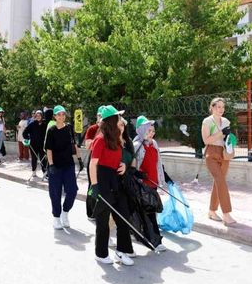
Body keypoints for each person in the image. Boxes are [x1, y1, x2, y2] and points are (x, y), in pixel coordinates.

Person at [88, 105, 135, 265]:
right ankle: (101, 254)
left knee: (123, 216)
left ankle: (122, 252)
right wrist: (95, 186)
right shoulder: (100, 139)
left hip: (116, 180)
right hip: (102, 179)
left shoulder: (117, 139)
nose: (120, 120)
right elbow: (93, 164)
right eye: (117, 118)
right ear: (111, 121)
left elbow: (123, 158)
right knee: (102, 220)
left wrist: (125, 166)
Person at [133, 115, 170, 252]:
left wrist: (162, 178)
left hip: (153, 184)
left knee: (150, 212)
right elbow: (133, 167)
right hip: (142, 186)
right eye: (149, 131)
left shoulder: (154, 144)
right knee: (148, 213)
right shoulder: (137, 145)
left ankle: (149, 238)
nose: (151, 134)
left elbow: (158, 163)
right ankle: (155, 240)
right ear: (142, 131)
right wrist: (139, 175)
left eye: (153, 131)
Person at [44, 105, 83, 229]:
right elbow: (48, 149)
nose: (61, 117)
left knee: (72, 191)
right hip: (55, 166)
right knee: (55, 193)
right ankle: (56, 217)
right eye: (58, 115)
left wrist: (80, 159)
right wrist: (51, 165)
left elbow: (74, 144)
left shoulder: (69, 128)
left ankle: (65, 213)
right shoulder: (51, 130)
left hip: (68, 165)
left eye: (63, 114)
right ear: (55, 117)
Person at [201, 97, 237, 226]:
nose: (221, 109)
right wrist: (221, 133)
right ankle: (226, 214)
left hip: (224, 153)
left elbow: (228, 138)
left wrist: (231, 139)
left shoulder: (226, 121)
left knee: (218, 183)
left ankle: (211, 211)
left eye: (223, 107)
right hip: (212, 153)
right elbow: (206, 140)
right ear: (212, 107)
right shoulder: (207, 121)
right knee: (221, 181)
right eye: (218, 107)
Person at [24, 110, 47, 178]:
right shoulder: (32, 124)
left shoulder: (45, 124)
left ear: (42, 116)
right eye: (37, 116)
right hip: (33, 145)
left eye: (39, 116)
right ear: (35, 117)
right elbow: (24, 133)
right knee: (34, 159)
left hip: (42, 145)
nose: (38, 117)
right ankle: (34, 172)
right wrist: (28, 139)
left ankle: (45, 172)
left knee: (43, 159)